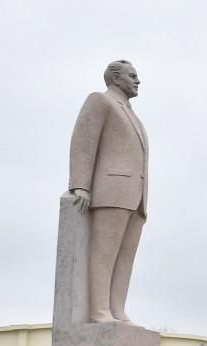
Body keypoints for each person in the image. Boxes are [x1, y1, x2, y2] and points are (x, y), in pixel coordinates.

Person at [69, 60, 149, 324]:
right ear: (116, 79)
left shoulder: (132, 113)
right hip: (111, 190)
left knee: (125, 257)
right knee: (104, 254)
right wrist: (81, 184)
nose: (138, 81)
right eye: (132, 76)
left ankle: (117, 309)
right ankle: (99, 311)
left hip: (135, 196)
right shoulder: (100, 101)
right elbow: (83, 141)